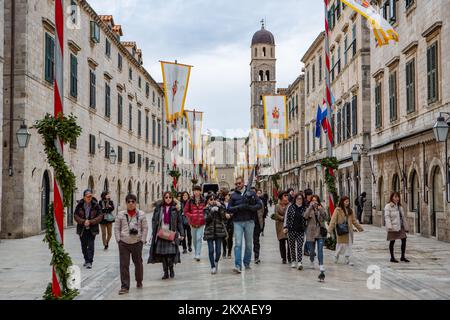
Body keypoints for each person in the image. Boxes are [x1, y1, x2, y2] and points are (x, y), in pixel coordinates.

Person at [115, 194, 148, 295]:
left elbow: (145, 228)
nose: (130, 203)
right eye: (128, 202)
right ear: (126, 203)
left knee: (138, 263)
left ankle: (139, 281)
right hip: (124, 243)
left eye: (133, 201)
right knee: (124, 265)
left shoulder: (141, 214)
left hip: (137, 242)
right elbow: (116, 228)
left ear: (135, 203)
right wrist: (118, 240)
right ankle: (125, 286)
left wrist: (142, 240)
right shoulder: (121, 214)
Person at [228, 176, 262, 273]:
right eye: (236, 184)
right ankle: (237, 265)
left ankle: (246, 262)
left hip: (249, 221)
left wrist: (250, 207)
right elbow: (229, 208)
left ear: (243, 183)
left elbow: (259, 205)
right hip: (237, 221)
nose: (238, 185)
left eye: (239, 183)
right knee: (238, 244)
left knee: (248, 244)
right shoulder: (233, 195)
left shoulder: (251, 193)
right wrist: (239, 207)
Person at [148, 192, 185, 279]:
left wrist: (182, 233)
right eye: (166, 197)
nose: (168, 199)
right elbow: (154, 220)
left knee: (170, 255)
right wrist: (154, 230)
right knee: (163, 255)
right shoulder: (159, 208)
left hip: (171, 234)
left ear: (172, 198)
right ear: (163, 198)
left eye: (170, 197)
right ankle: (165, 273)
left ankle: (171, 269)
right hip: (161, 234)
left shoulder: (175, 209)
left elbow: (179, 222)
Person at [328, 196, 364, 266]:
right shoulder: (337, 210)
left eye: (348, 201)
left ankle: (347, 258)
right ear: (342, 202)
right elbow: (333, 220)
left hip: (349, 231)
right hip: (341, 230)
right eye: (346, 201)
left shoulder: (350, 210)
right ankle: (336, 255)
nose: (347, 203)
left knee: (349, 244)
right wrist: (330, 229)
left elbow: (354, 221)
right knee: (340, 245)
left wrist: (359, 228)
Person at [74, 189, 103, 269]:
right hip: (82, 228)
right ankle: (86, 259)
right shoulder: (79, 205)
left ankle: (90, 261)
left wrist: (90, 222)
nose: (89, 198)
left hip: (92, 228)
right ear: (84, 197)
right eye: (88, 196)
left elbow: (100, 216)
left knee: (91, 245)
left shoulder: (95, 205)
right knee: (83, 246)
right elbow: (75, 215)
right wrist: (83, 222)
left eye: (91, 196)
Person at [204, 193, 228, 274]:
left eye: (214, 199)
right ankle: (213, 266)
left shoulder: (220, 207)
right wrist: (211, 211)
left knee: (218, 251)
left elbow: (223, 217)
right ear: (208, 201)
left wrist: (220, 207)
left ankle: (216, 261)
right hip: (209, 231)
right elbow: (206, 220)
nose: (213, 201)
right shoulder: (206, 209)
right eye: (211, 199)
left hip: (219, 231)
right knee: (211, 250)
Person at [304, 195, 328, 272]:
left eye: (316, 200)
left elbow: (326, 218)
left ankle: (321, 265)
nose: (314, 202)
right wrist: (310, 207)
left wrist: (321, 210)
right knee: (311, 251)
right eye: (313, 200)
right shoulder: (308, 209)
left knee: (320, 249)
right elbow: (305, 216)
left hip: (320, 232)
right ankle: (312, 261)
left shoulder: (321, 208)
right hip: (311, 232)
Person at [283, 193, 307, 270]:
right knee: (292, 246)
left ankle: (299, 262)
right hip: (291, 230)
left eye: (301, 199)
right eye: (298, 199)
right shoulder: (291, 207)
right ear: (295, 199)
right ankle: (293, 260)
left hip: (301, 230)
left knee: (300, 246)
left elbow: (307, 217)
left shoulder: (304, 208)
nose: (299, 200)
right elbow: (287, 218)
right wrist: (285, 227)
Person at [385, 192, 410, 263]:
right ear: (392, 197)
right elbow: (387, 217)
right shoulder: (388, 206)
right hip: (392, 226)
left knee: (404, 239)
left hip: (400, 226)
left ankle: (402, 256)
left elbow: (403, 218)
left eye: (398, 197)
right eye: (395, 197)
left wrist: (406, 227)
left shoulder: (400, 207)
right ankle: (392, 257)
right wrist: (389, 226)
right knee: (392, 241)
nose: (397, 198)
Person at [184, 186, 206, 261]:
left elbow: (206, 210)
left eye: (198, 190)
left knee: (199, 238)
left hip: (201, 222)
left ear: (200, 192)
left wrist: (204, 217)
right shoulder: (190, 201)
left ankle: (198, 254)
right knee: (194, 239)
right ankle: (196, 251)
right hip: (192, 223)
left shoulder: (204, 200)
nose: (196, 192)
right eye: (195, 190)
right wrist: (191, 216)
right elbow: (185, 211)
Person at [273, 192, 291, 264]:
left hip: (288, 225)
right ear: (281, 198)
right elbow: (276, 215)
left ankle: (290, 257)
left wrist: (286, 218)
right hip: (280, 225)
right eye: (285, 196)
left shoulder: (290, 205)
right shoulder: (277, 205)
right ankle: (283, 258)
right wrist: (283, 218)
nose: (286, 197)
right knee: (282, 242)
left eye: (287, 196)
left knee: (290, 242)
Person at [221, 191, 234, 259]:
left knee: (230, 238)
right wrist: (224, 215)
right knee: (223, 238)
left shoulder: (232, 203)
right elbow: (220, 212)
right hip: (223, 222)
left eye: (228, 195)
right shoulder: (221, 204)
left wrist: (230, 215)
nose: (227, 197)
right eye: (226, 195)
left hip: (230, 222)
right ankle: (224, 251)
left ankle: (229, 252)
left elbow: (234, 211)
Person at [253, 190, 265, 264]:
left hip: (257, 224)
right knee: (250, 242)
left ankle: (256, 256)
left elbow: (262, 213)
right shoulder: (249, 202)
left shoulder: (260, 202)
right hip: (250, 223)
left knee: (256, 241)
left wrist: (262, 224)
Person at [303, 188, 314, 256]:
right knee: (308, 236)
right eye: (309, 195)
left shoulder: (311, 201)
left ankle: (309, 249)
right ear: (306, 195)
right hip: (305, 222)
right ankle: (306, 250)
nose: (310, 196)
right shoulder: (305, 202)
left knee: (310, 236)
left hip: (311, 222)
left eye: (311, 195)